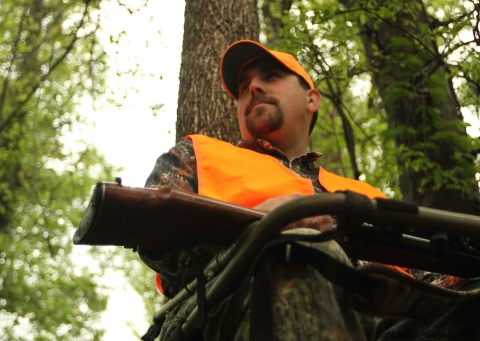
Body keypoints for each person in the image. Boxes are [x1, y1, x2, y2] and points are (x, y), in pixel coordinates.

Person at [141, 40, 479, 341]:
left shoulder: (365, 193)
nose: (254, 87)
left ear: (312, 99)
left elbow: (431, 278)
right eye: (244, 87)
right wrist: (252, 232)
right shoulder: (197, 154)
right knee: (300, 248)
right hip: (229, 315)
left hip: (390, 325)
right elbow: (154, 233)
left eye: (270, 76)